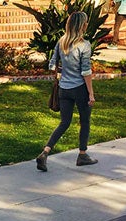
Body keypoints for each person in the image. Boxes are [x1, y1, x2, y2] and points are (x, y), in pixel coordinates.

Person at [36, 11, 98, 172]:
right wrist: (90, 93)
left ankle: (45, 152)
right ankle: (82, 155)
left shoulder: (61, 41)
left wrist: (62, 74)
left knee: (64, 122)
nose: (86, 24)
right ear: (82, 25)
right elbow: (86, 72)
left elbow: (52, 64)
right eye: (85, 22)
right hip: (79, 89)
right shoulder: (84, 45)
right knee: (85, 121)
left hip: (63, 88)